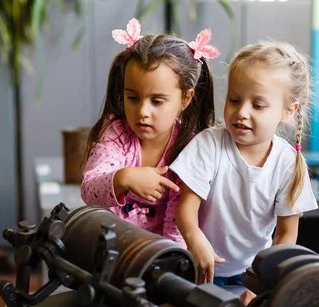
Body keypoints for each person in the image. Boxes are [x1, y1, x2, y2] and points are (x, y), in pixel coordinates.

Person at [171, 41, 318, 303]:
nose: (241, 112)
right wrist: (195, 240)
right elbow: (185, 209)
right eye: (234, 99)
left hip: (252, 273)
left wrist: (264, 280)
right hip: (198, 266)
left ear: (288, 111)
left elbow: (285, 234)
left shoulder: (288, 163)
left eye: (258, 105)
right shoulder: (209, 144)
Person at [81, 18, 219, 247]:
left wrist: (165, 262)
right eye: (132, 98)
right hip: (109, 248)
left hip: (158, 255)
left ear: (185, 98)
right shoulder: (116, 132)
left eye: (157, 101)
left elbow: (176, 225)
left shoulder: (190, 147)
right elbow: (89, 190)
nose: (142, 112)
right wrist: (124, 178)